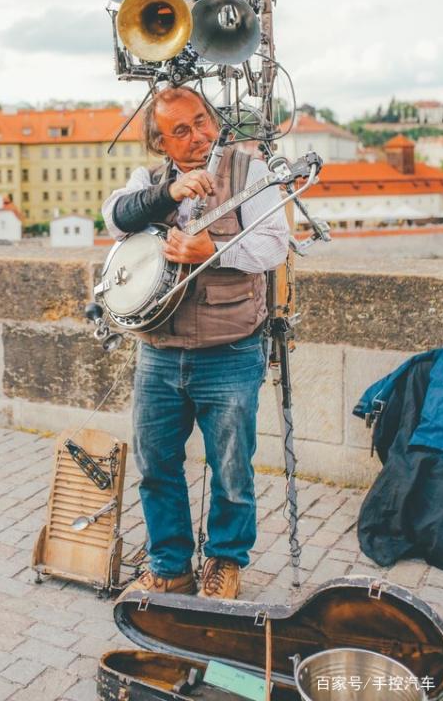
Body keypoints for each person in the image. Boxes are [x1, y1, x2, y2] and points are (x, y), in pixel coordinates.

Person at [102, 86, 289, 600]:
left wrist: (215, 248)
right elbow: (114, 217)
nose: (198, 134)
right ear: (161, 142)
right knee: (156, 462)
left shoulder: (249, 172)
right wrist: (170, 194)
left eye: (202, 120)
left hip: (229, 350)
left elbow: (275, 243)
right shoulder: (150, 180)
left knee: (231, 467)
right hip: (159, 351)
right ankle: (169, 562)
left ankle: (225, 562)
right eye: (180, 130)